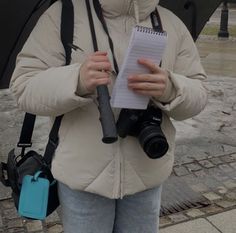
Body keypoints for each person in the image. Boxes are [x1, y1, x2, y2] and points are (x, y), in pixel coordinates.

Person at [10, 0, 208, 232]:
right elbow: (24, 87)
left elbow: (200, 94)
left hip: (147, 175)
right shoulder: (63, 15)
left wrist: (171, 88)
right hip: (83, 181)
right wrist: (77, 80)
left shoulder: (171, 24)